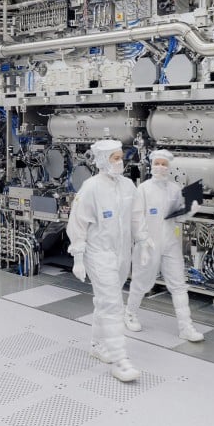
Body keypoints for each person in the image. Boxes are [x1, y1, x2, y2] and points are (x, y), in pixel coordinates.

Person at [67, 139, 154, 382]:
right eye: (116, 158)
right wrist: (78, 257)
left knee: (105, 302)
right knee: (113, 305)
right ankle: (120, 360)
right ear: (103, 160)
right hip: (99, 253)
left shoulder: (128, 186)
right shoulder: (91, 187)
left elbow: (137, 217)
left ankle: (97, 344)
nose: (121, 162)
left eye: (121, 157)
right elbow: (77, 223)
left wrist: (144, 242)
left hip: (121, 254)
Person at [124, 149, 205, 342]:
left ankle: (186, 327)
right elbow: (135, 218)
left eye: (164, 164)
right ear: (151, 165)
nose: (160, 167)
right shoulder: (143, 189)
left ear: (169, 167)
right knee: (141, 283)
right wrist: (142, 241)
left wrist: (191, 211)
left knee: (178, 285)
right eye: (157, 163)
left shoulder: (174, 189)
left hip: (170, 243)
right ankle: (129, 314)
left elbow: (178, 217)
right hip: (148, 244)